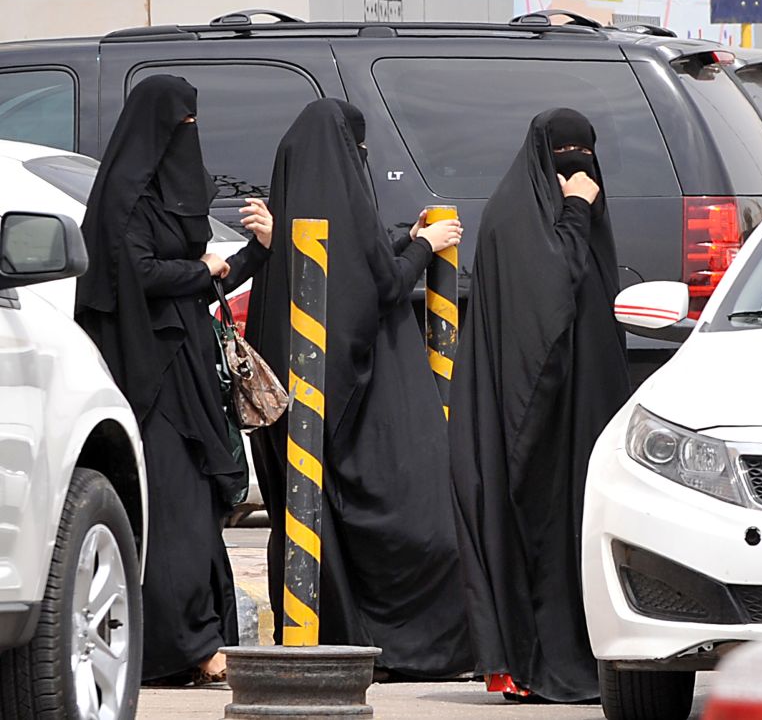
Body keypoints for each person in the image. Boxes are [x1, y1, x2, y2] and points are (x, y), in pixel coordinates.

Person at [245, 98, 472, 678]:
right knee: (424, 516)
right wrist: (427, 247)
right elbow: (377, 285)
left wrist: (409, 239)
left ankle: (316, 629)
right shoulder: (323, 224)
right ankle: (421, 643)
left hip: (304, 425)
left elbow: (355, 265)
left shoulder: (290, 233)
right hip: (364, 414)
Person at [75, 74, 273, 685]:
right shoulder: (121, 205)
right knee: (174, 511)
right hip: (146, 378)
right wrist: (204, 265)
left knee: (198, 507)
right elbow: (136, 274)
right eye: (182, 125)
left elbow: (198, 282)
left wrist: (255, 252)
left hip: (186, 373)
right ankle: (183, 644)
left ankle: (196, 639)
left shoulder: (162, 196)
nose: (192, 136)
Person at [449, 108, 631, 702]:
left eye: (586, 155)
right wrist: (576, 209)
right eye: (565, 158)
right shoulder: (514, 217)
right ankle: (539, 663)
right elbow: (551, 296)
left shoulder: (577, 214)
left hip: (585, 408)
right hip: (538, 417)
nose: (578, 171)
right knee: (547, 528)